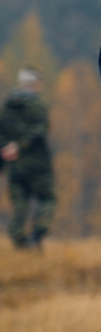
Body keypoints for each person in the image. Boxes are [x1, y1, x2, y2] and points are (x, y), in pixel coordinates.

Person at [0, 67, 56, 250]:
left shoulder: (8, 107)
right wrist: (20, 145)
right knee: (47, 199)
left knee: (19, 205)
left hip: (15, 167)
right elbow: (40, 130)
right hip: (39, 166)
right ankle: (36, 236)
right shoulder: (37, 106)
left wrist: (7, 148)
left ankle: (19, 241)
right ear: (35, 84)